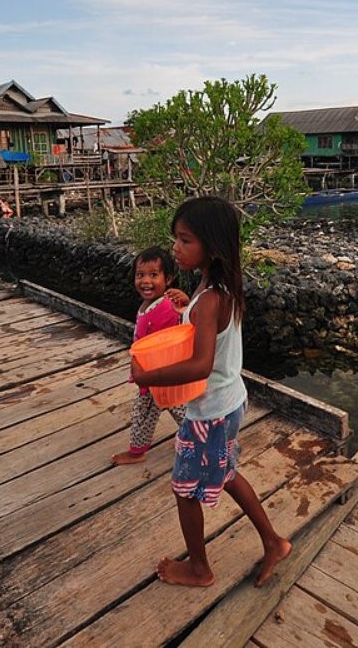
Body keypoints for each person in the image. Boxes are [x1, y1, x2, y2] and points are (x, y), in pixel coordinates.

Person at [132, 196, 291, 588]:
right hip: (229, 401)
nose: (175, 248)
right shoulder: (217, 286)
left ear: (211, 244)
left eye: (185, 240)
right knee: (229, 474)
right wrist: (187, 307)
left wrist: (148, 376)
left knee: (184, 490)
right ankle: (273, 541)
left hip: (209, 413)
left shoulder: (209, 298)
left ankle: (200, 569)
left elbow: (201, 365)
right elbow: (212, 330)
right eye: (176, 239)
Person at [112, 246, 189, 465]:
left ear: (169, 278)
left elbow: (188, 321)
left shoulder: (166, 305)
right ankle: (138, 451)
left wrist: (185, 302)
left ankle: (201, 442)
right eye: (140, 275)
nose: (146, 281)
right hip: (152, 374)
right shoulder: (149, 304)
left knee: (167, 412)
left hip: (160, 374)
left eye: (154, 275)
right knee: (165, 412)